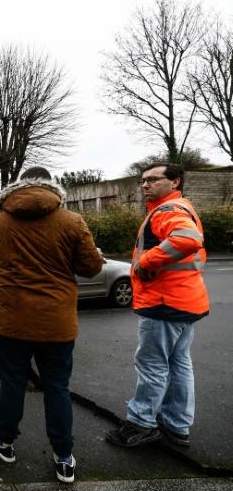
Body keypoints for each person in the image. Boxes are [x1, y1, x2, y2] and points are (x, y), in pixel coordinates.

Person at [0, 166, 103, 484]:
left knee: (13, 382)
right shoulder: (72, 221)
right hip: (56, 324)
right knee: (57, 387)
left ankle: (4, 442)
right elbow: (90, 268)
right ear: (53, 187)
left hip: (12, 322)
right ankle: (64, 459)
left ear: (19, 186)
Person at [106, 163, 208, 448]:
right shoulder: (181, 207)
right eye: (143, 180)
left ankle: (141, 423)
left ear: (175, 182)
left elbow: (189, 239)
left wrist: (146, 262)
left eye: (153, 179)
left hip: (164, 302)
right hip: (184, 301)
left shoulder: (168, 210)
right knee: (179, 363)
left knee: (151, 364)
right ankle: (177, 425)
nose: (145, 185)